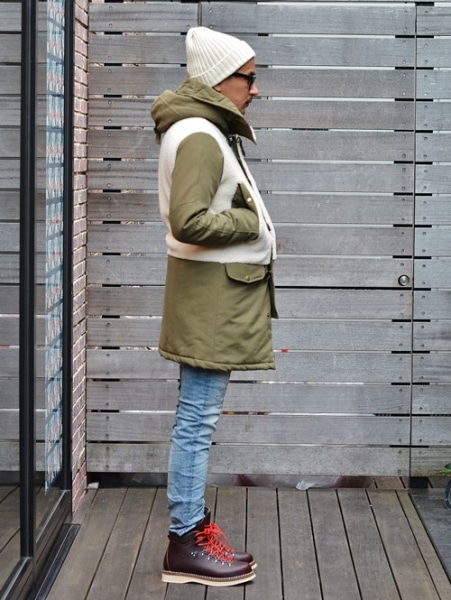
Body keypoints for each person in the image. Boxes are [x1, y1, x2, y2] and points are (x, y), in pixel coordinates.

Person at [151, 26, 277, 587]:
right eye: (250, 78)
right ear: (220, 80)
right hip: (213, 300)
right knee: (196, 422)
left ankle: (194, 529)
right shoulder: (200, 134)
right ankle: (185, 542)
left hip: (213, 296)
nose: (255, 89)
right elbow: (189, 221)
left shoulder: (202, 128)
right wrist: (249, 223)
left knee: (195, 419)